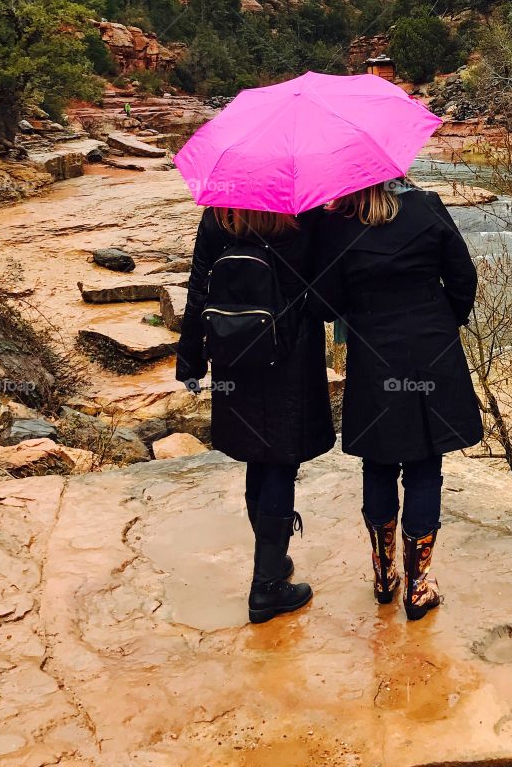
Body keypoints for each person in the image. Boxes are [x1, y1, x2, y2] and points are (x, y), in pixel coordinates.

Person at [316, 180, 481, 620]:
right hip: (432, 351)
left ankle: (384, 577)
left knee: (379, 460)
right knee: (426, 465)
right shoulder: (426, 207)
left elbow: (326, 303)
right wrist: (443, 321)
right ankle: (419, 585)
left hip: (375, 357)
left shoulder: (336, 223)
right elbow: (464, 278)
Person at [175, 205, 335, 624]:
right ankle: (266, 586)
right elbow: (325, 300)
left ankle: (273, 561)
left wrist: (190, 363)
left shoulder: (217, 217)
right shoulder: (307, 217)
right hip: (290, 356)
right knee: (281, 461)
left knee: (256, 456)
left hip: (234, 354)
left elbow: (198, 291)